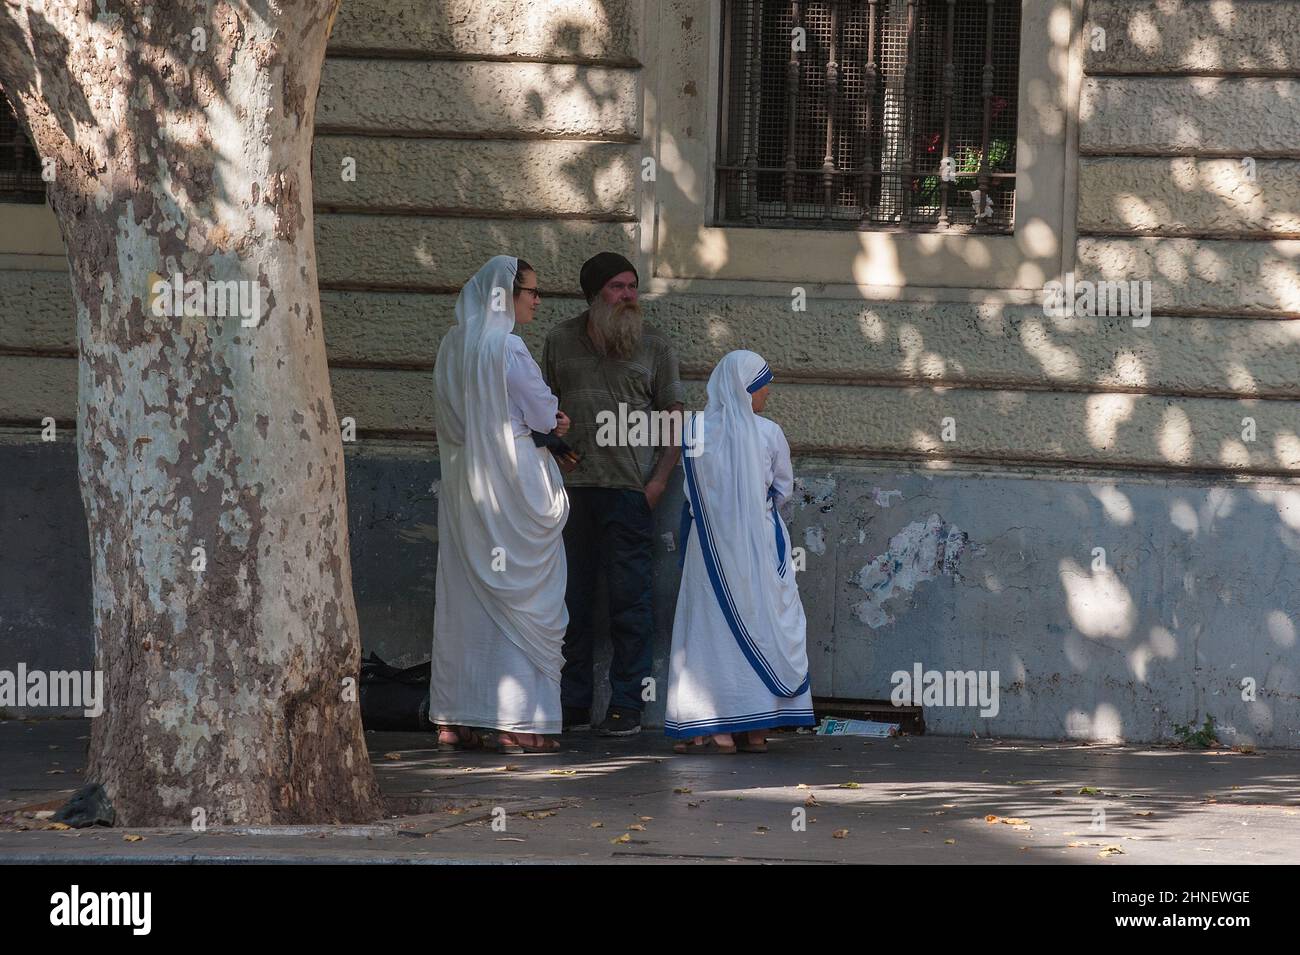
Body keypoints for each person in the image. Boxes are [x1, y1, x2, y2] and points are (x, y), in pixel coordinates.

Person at [430, 255, 572, 755]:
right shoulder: (506, 347)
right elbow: (541, 410)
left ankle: (459, 717)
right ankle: (520, 721)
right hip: (514, 479)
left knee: (468, 593)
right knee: (526, 596)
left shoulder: (452, 346)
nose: (536, 300)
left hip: (466, 481)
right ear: (504, 296)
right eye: (530, 291)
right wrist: (554, 422)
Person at [543, 252, 685, 736]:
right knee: (570, 603)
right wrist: (553, 459)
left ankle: (628, 705)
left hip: (630, 493)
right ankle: (574, 705)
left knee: (631, 603)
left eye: (633, 286)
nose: (629, 296)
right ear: (593, 293)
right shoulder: (559, 341)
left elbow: (674, 421)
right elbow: (540, 411)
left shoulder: (654, 346)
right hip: (570, 496)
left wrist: (659, 482)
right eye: (618, 287)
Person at [665, 350, 815, 753]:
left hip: (708, 547)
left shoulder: (694, 428)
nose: (766, 392)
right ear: (744, 389)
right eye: (761, 386)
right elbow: (783, 489)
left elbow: (690, 490)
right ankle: (756, 728)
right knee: (764, 623)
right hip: (758, 547)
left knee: (710, 629)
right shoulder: (768, 433)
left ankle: (710, 723)